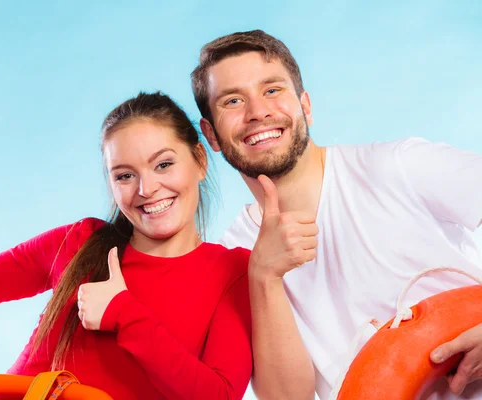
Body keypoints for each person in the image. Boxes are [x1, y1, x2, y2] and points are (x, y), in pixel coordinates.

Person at [0, 91, 265, 400]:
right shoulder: (81, 243)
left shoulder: (234, 272)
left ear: (200, 162)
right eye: (125, 175)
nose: (147, 188)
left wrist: (125, 314)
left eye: (164, 164)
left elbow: (217, 394)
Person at [191, 29, 482, 400]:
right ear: (211, 135)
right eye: (232, 101)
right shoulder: (231, 260)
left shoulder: (398, 167)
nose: (258, 112)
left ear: (305, 106)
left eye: (272, 90)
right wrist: (263, 276)